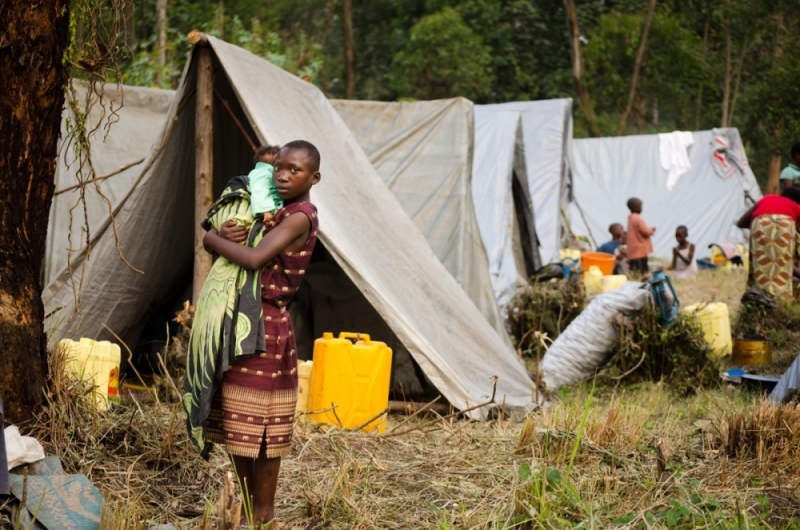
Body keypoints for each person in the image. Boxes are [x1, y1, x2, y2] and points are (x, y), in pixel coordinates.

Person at [203, 140, 321, 527]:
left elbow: (254, 260)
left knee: (265, 427)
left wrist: (212, 240)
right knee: (239, 422)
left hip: (266, 329)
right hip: (243, 324)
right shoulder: (275, 212)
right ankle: (250, 512)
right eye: (279, 169)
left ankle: (264, 514)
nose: (284, 176)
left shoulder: (300, 216)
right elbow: (250, 244)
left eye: (295, 170)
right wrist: (235, 230)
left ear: (314, 178)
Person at [737, 187, 800, 298]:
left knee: (760, 260)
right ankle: (781, 301)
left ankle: (758, 294)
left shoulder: (767, 199)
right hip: (786, 222)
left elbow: (741, 223)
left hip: (760, 221)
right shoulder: (796, 207)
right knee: (785, 258)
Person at [249, 144, 283, 223]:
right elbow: (259, 190)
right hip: (267, 213)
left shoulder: (261, 172)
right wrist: (265, 211)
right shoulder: (263, 172)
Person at [626, 197, 656, 274]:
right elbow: (645, 231)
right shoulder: (638, 218)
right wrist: (651, 230)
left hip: (633, 250)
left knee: (635, 269)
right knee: (642, 270)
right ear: (637, 207)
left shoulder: (631, 218)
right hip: (640, 250)